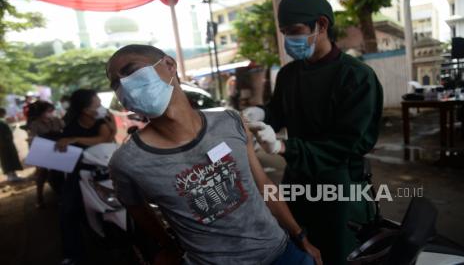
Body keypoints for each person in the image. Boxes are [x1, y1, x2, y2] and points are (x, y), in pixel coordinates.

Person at [105, 44, 323, 265]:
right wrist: (167, 246)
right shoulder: (127, 163)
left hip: (282, 253)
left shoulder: (230, 122)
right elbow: (136, 209)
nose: (126, 85)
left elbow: (263, 183)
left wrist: (300, 235)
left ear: (170, 65)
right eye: (116, 84)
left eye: (131, 72)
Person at [244, 0, 384, 265]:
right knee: (300, 246)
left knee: (337, 252)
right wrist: (262, 113)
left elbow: (351, 143)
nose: (288, 40)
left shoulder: (356, 76)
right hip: (297, 179)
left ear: (321, 25)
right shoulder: (289, 74)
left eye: (294, 31)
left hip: (339, 184)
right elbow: (279, 112)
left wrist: (284, 146)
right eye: (284, 32)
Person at [55, 89, 116, 265]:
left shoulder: (102, 121)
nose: (101, 107)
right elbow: (64, 146)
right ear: (85, 110)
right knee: (67, 209)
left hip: (107, 167)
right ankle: (72, 255)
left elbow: (104, 139)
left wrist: (75, 139)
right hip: (80, 171)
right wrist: (66, 142)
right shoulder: (71, 126)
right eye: (97, 105)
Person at [27, 100, 65, 208]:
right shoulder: (35, 124)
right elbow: (32, 139)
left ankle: (62, 195)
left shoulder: (57, 120)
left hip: (58, 149)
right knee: (41, 174)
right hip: (44, 151)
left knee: (61, 173)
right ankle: (39, 197)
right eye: (48, 111)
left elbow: (66, 130)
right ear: (41, 112)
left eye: (51, 110)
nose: (51, 113)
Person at [0, 108, 24, 182]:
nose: (4, 114)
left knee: (11, 158)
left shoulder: (2, 121)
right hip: (3, 144)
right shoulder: (1, 122)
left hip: (8, 143)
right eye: (3, 113)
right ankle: (10, 176)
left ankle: (13, 174)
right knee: (6, 160)